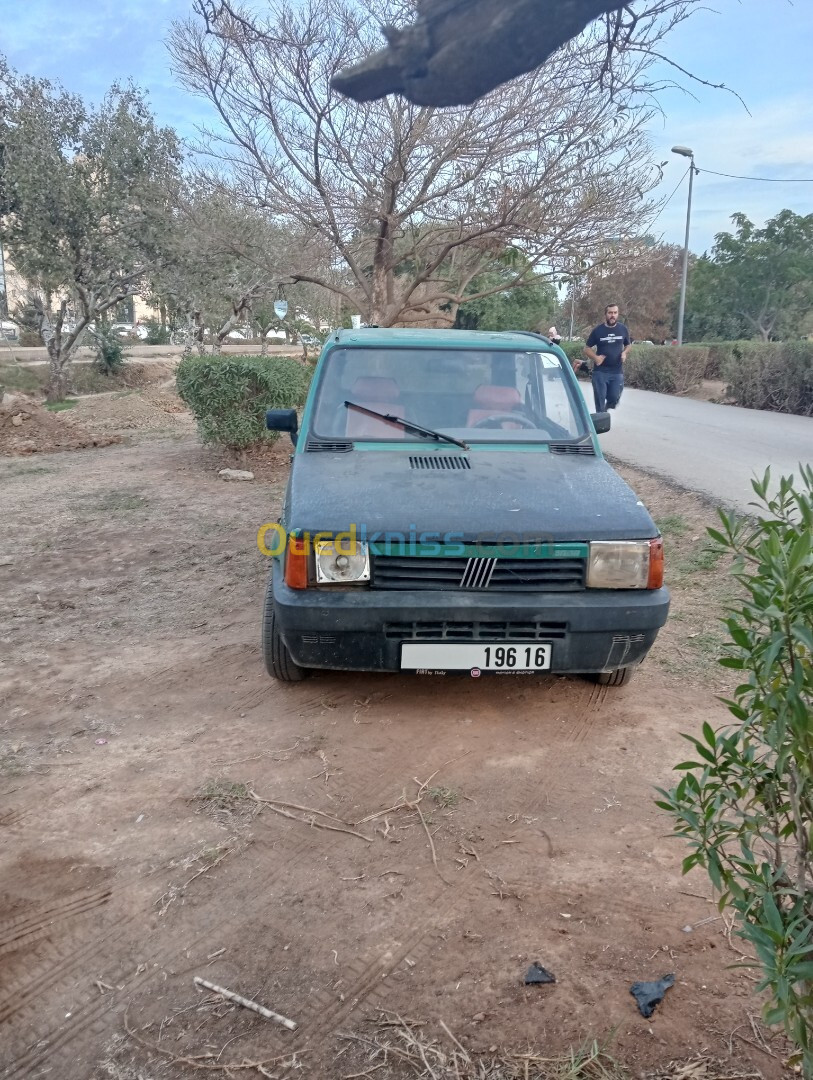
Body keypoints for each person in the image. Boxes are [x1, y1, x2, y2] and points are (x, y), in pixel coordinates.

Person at [583, 304, 630, 412]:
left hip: (617, 372)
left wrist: (625, 353)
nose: (612, 315)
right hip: (600, 372)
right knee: (599, 400)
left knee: (614, 399)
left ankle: (605, 410)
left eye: (615, 313)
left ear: (618, 314)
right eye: (610, 313)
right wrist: (596, 358)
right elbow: (586, 348)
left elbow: (628, 345)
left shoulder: (623, 329)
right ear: (605, 314)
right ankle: (600, 420)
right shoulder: (598, 331)